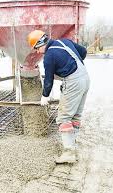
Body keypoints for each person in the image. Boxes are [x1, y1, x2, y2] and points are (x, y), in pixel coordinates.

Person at [27, 30, 90, 163]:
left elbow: (48, 80)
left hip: (73, 82)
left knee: (63, 117)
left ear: (41, 43)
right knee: (76, 115)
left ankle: (69, 153)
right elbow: (83, 52)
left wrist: (45, 96)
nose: (37, 52)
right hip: (85, 78)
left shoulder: (49, 56)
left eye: (36, 49)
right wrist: (68, 63)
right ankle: (72, 144)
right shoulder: (64, 41)